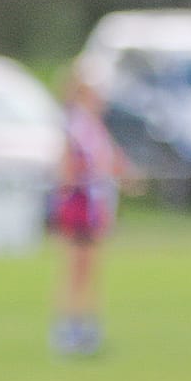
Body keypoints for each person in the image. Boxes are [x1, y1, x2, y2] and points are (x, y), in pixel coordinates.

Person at [49, 66, 135, 356]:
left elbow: (111, 160)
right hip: (80, 203)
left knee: (89, 270)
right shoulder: (76, 124)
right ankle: (69, 331)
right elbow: (68, 167)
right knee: (77, 269)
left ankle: (85, 329)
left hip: (94, 203)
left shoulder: (92, 125)